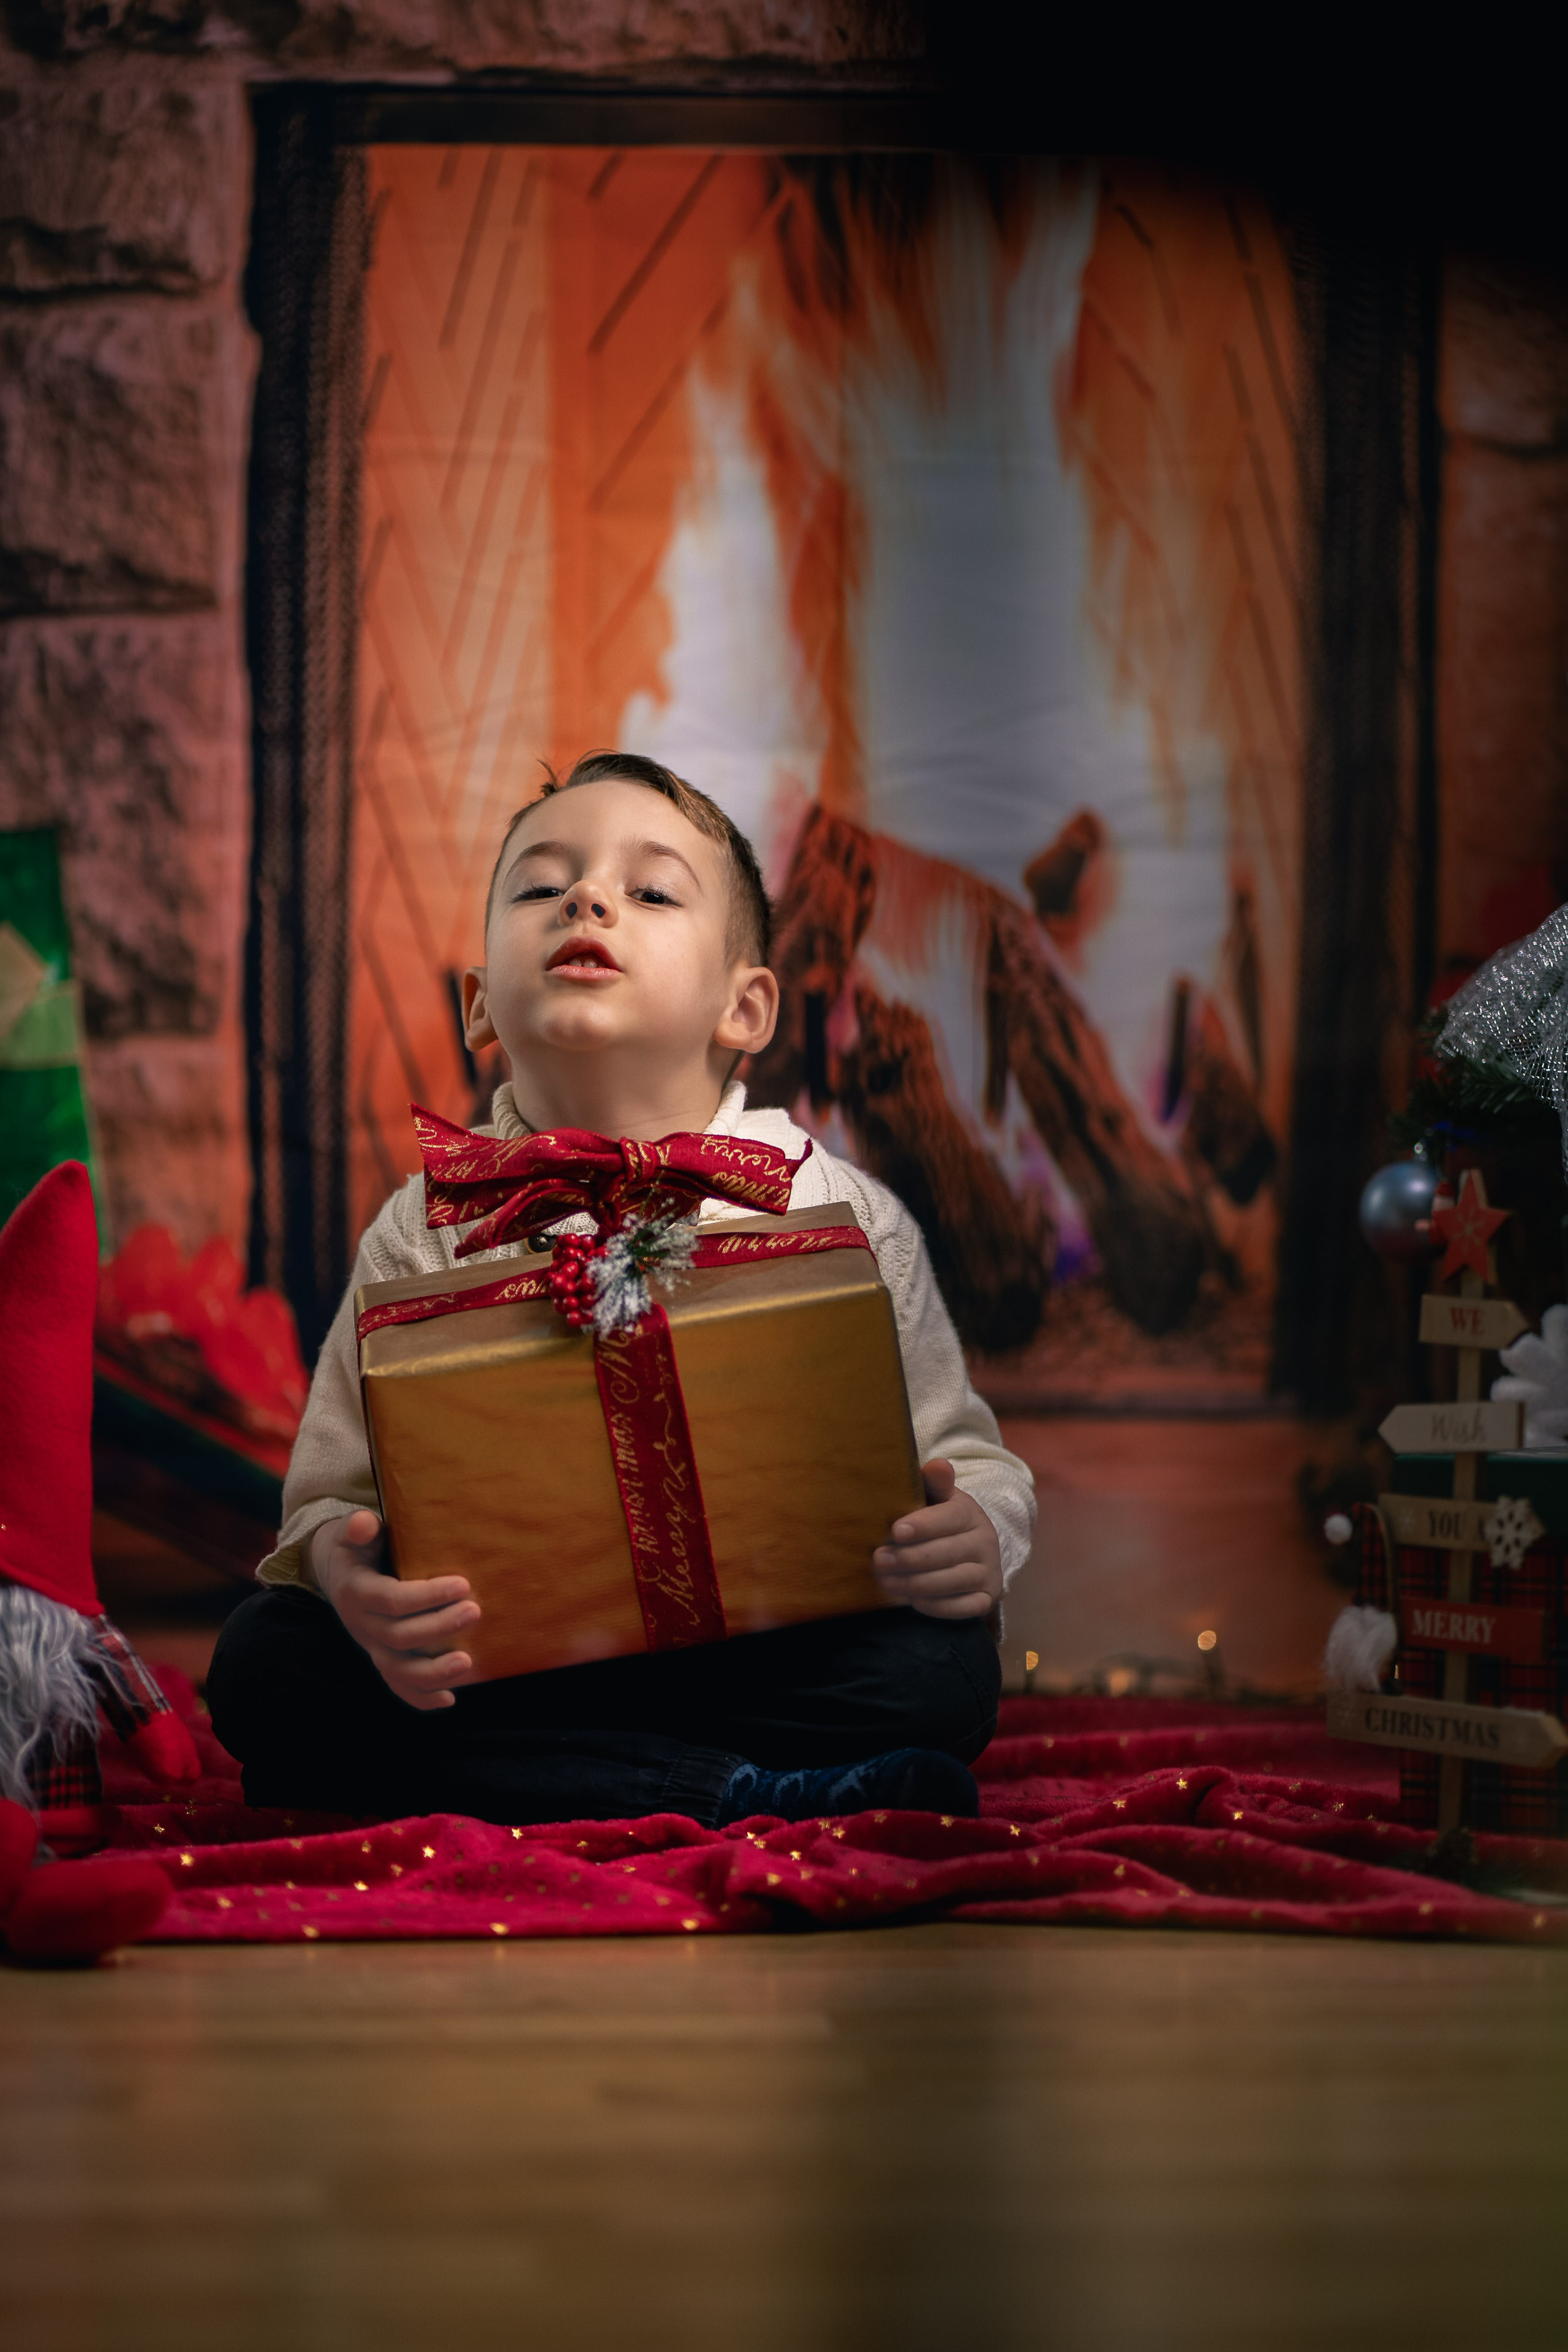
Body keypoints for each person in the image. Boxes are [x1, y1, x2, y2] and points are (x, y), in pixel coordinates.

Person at [208, 753, 1036, 1827]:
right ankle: (739, 1795)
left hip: (761, 1660)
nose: (588, 900)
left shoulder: (839, 1210)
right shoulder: (423, 1224)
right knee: (266, 1665)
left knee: (945, 1671)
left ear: (745, 1008)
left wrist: (972, 1529)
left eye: (650, 892)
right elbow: (332, 1493)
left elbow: (965, 1453)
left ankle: (560, 1784)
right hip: (510, 1664)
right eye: (544, 886)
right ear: (478, 1006)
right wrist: (353, 1588)